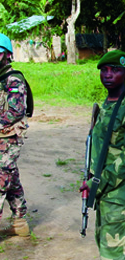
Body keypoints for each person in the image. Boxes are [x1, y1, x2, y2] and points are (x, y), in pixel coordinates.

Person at [79, 50, 125, 259]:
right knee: (107, 249)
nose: (108, 74)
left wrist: (98, 182)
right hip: (106, 193)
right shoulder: (108, 105)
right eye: (104, 70)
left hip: (119, 193)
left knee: (116, 254)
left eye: (115, 70)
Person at [0, 33, 30, 237]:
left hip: (9, 137)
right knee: (11, 178)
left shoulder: (14, 79)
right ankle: (20, 221)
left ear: (7, 55)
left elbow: (15, 111)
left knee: (2, 177)